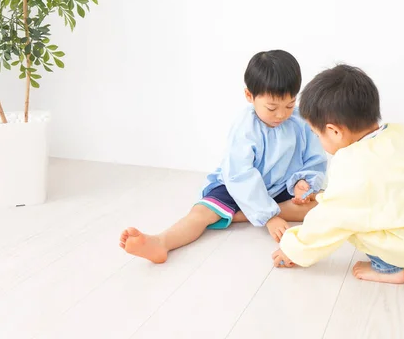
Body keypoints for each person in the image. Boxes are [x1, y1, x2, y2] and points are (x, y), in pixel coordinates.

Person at [272, 64, 404, 284]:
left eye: (316, 134)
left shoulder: (353, 164)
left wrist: (293, 250)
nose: (319, 142)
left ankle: (387, 268)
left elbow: (330, 218)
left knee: (350, 218)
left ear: (333, 131)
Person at [120, 50, 328, 263]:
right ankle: (161, 242)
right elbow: (239, 174)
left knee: (323, 206)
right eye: (272, 107)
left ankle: (238, 215)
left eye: (289, 105)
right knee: (200, 214)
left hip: (282, 186)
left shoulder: (300, 121)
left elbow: (314, 158)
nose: (281, 114)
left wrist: (304, 182)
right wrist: (270, 217)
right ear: (250, 96)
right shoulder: (245, 127)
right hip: (238, 186)